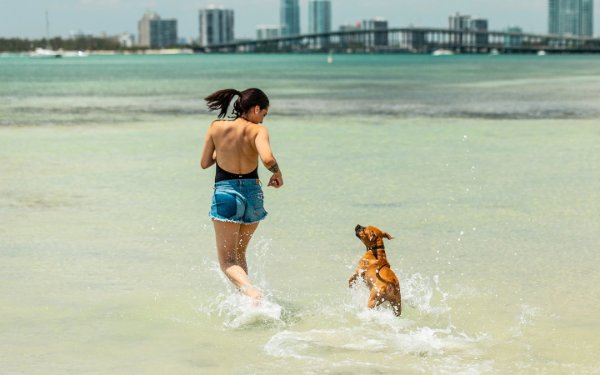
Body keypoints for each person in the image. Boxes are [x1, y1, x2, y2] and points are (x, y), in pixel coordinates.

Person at [200, 88, 283, 301]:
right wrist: (277, 173)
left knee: (227, 261)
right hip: (253, 194)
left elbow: (205, 163)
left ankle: (252, 294)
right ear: (256, 109)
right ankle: (248, 301)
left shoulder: (215, 127)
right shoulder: (258, 131)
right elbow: (267, 159)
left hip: (226, 193)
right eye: (263, 114)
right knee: (239, 254)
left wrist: (224, 149)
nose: (262, 120)